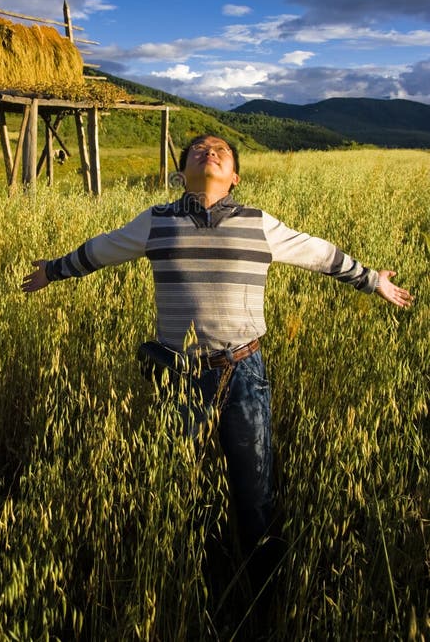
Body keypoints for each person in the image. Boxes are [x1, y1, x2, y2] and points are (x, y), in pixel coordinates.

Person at [22, 133, 413, 599]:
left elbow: (318, 252)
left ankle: (265, 598)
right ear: (182, 169)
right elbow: (102, 249)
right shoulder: (156, 222)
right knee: (174, 487)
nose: (211, 152)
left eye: (222, 151)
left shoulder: (258, 223)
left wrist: (372, 281)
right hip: (179, 375)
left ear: (235, 178)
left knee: (254, 495)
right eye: (200, 149)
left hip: (244, 372)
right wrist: (53, 270)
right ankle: (179, 587)